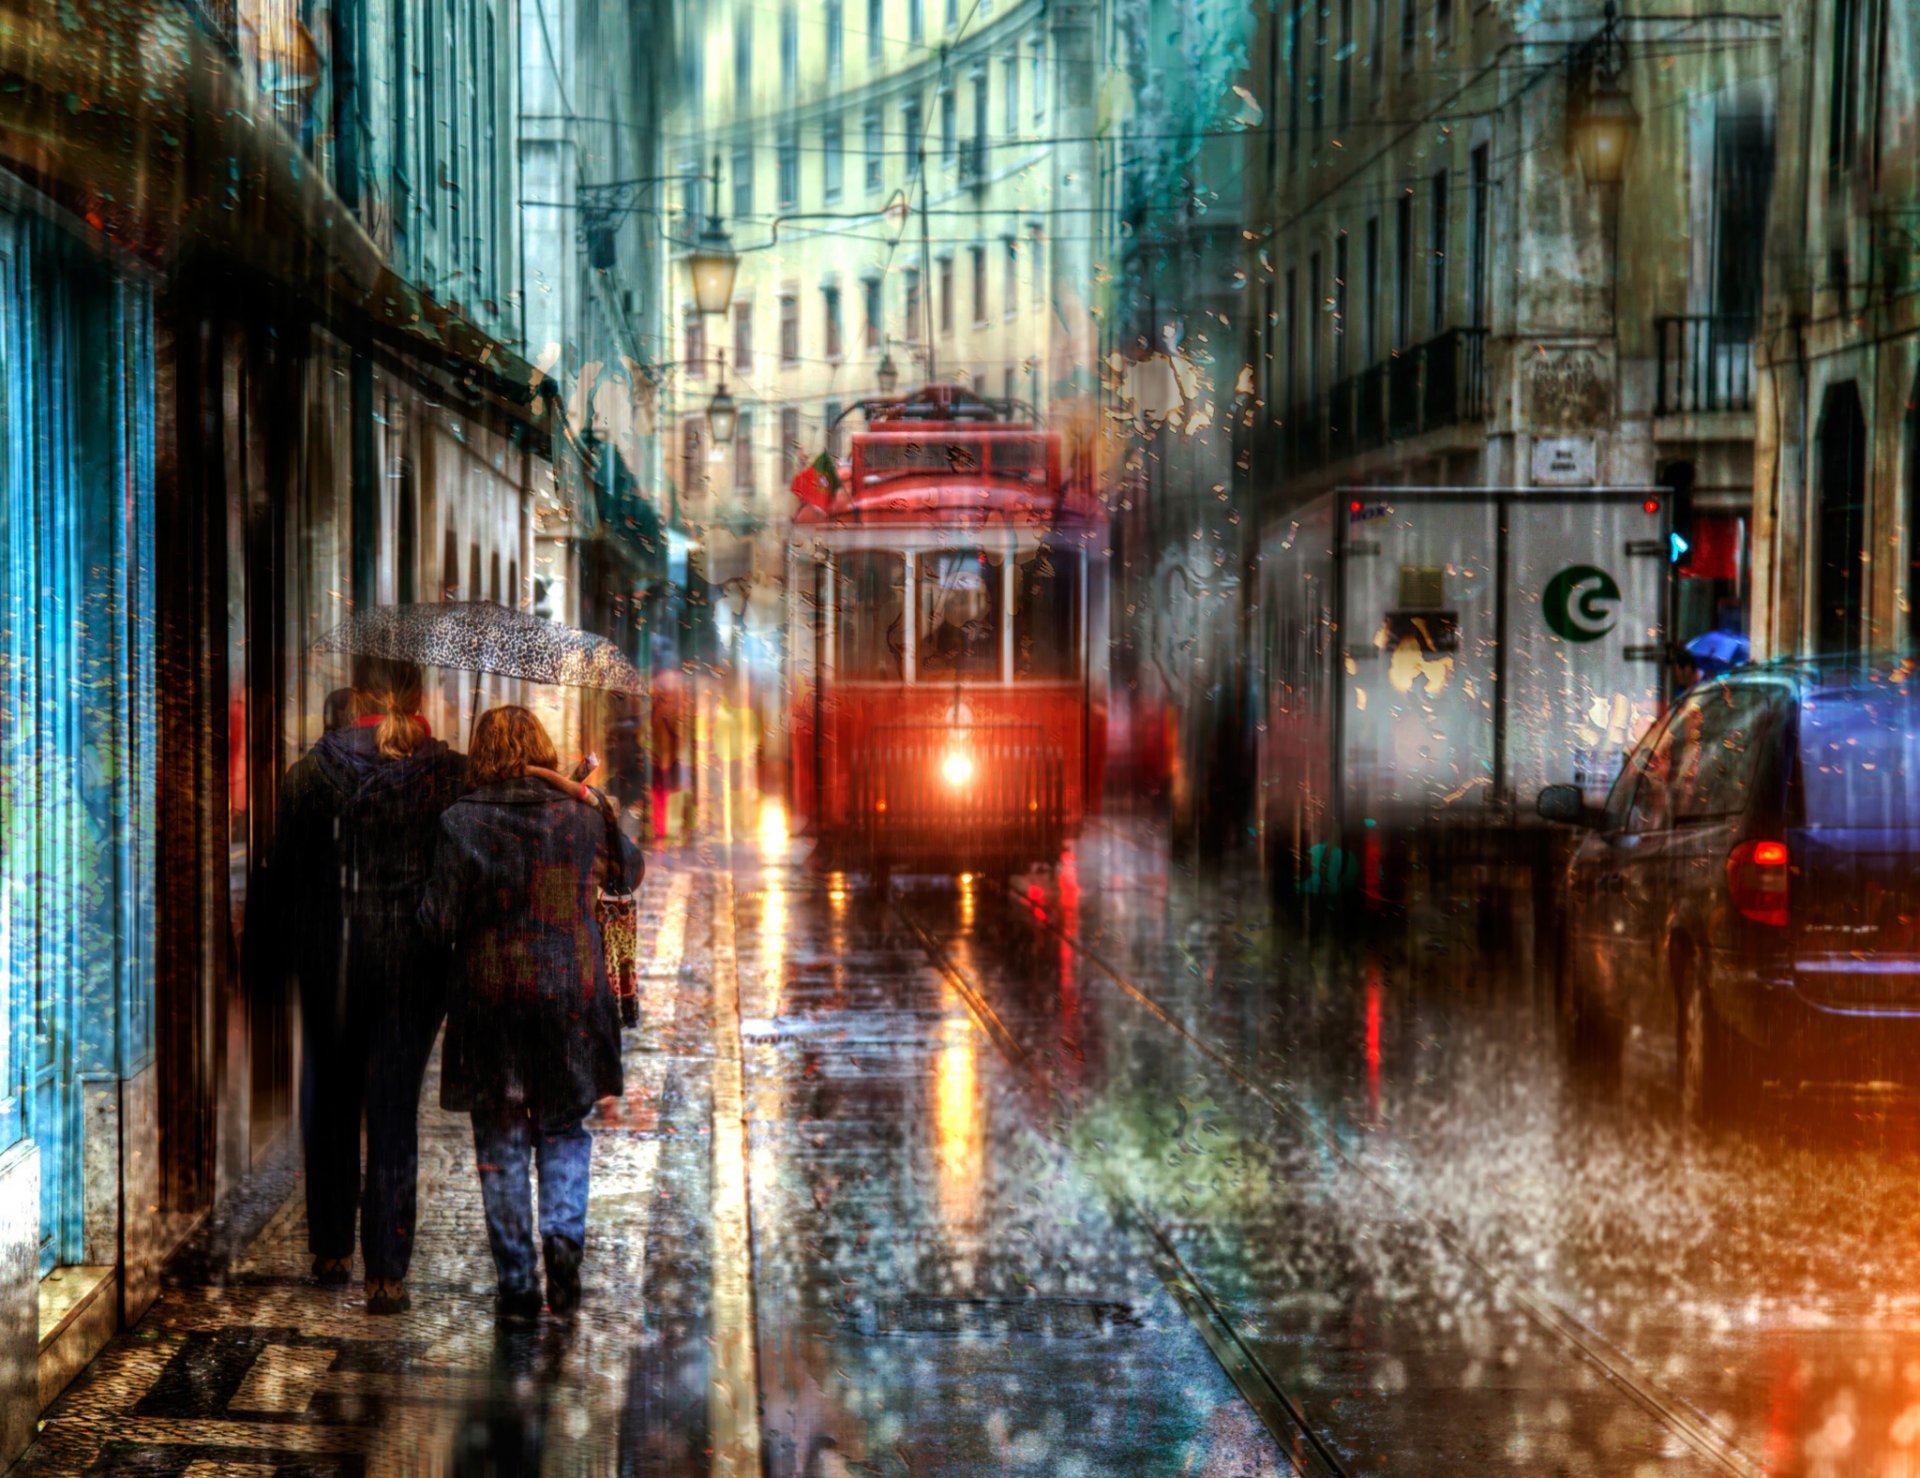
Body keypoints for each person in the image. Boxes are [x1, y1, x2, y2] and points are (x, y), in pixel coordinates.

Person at [265, 660, 591, 1315]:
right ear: (420, 699)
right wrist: (570, 786)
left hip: (330, 964)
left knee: (328, 1103)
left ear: (355, 697)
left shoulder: (307, 777)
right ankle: (387, 1270)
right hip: (414, 969)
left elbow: (281, 886)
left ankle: (330, 1250)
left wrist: (268, 973)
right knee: (391, 1112)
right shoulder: (448, 773)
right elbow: (513, 801)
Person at [420, 705, 644, 1320]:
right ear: (542, 749)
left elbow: (437, 923)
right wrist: (589, 804)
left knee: (501, 1143)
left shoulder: (459, 822)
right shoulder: (579, 815)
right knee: (564, 1128)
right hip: (571, 996)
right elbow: (632, 871)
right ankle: (563, 1240)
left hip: (492, 1004)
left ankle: (518, 1280)